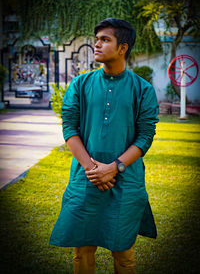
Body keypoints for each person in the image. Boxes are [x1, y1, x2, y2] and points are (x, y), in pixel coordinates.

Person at [49, 18, 159, 274]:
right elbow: (70, 129)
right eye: (96, 38)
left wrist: (115, 167)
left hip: (125, 181)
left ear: (123, 48)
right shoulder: (80, 84)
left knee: (123, 252)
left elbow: (145, 136)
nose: (96, 44)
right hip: (85, 179)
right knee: (82, 251)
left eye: (104, 39)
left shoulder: (142, 89)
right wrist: (93, 169)